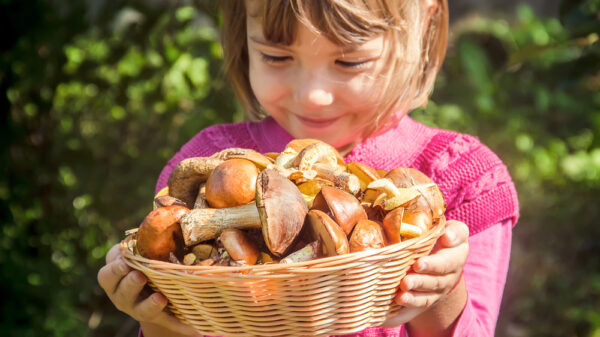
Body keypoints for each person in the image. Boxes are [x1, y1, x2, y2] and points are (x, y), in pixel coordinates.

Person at [97, 0, 520, 336]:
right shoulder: (207, 168)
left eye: (349, 62)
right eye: (277, 57)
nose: (313, 94)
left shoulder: (463, 180)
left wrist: (441, 291)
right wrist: (157, 318)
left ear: (423, 27)